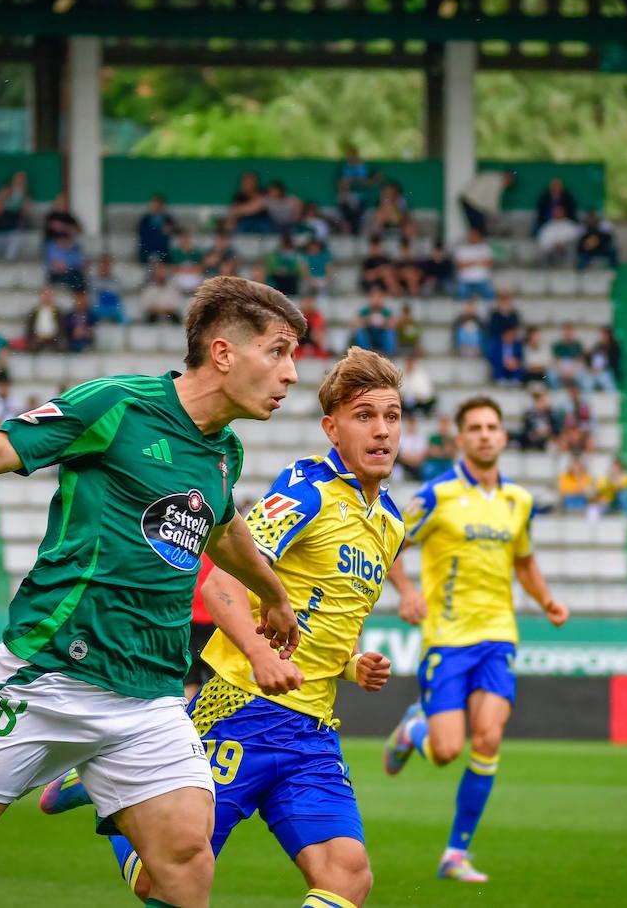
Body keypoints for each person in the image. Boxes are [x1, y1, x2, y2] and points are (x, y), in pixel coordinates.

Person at [0, 276, 306, 907]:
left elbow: (222, 528)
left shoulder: (223, 453)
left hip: (149, 695)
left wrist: (273, 592)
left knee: (187, 860)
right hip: (46, 676)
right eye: (279, 351)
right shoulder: (115, 405)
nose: (292, 373)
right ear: (223, 353)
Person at [37, 348, 405, 908]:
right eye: (365, 416)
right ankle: (106, 778)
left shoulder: (390, 522)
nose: (382, 431)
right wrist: (260, 655)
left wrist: (353, 663)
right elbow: (221, 586)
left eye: (392, 416)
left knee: (349, 876)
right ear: (332, 428)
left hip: (311, 732)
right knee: (162, 881)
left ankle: (106, 776)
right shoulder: (305, 491)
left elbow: (326, 612)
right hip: (239, 710)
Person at [383, 396, 569, 883]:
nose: (486, 434)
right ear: (460, 439)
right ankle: (412, 731)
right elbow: (389, 541)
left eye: (493, 427)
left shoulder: (518, 501)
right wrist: (405, 591)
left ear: (504, 437)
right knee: (447, 750)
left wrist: (546, 600)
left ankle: (455, 854)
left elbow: (524, 560)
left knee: (488, 739)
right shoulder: (435, 495)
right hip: (446, 639)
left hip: (499, 638)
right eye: (476, 428)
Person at [459, 170, 514, 236]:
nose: (507, 185)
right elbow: (492, 201)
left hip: (468, 199)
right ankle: (476, 243)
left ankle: (476, 241)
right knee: (478, 228)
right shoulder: (497, 182)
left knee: (476, 227)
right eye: (509, 182)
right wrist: (497, 215)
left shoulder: (493, 176)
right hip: (472, 202)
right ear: (507, 178)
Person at [454, 228, 496, 303]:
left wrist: (469, 263)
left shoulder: (485, 248)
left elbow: (488, 264)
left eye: (475, 235)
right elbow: (460, 266)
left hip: (482, 280)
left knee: (490, 294)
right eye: (471, 235)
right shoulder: (462, 249)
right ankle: (466, 313)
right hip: (465, 280)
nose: (473, 237)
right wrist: (478, 261)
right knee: (461, 293)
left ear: (479, 236)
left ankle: (489, 312)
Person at [137, 194, 176, 265]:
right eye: (153, 204)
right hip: (147, 251)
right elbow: (143, 236)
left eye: (157, 204)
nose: (155, 206)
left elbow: (174, 232)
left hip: (164, 252)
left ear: (162, 205)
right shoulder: (145, 220)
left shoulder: (168, 219)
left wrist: (169, 231)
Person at [25, 288, 67, 352]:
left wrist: (54, 336)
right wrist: (36, 336)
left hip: (54, 339)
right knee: (32, 345)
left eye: (49, 296)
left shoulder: (58, 311)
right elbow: (30, 327)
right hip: (38, 338)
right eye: (45, 295)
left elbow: (62, 327)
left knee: (62, 345)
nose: (47, 298)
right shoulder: (35, 311)